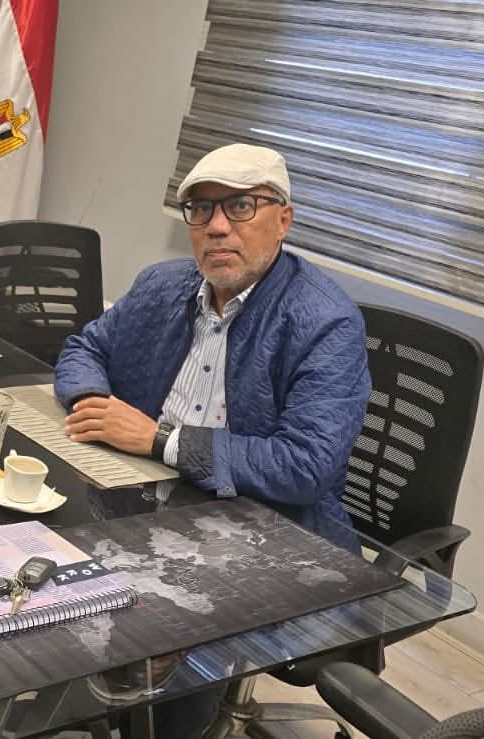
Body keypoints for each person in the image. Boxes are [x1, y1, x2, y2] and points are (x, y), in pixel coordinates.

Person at [55, 143, 370, 548]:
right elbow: (85, 348)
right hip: (143, 500)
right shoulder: (160, 285)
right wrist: (95, 407)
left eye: (240, 206)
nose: (217, 227)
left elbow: (305, 466)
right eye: (202, 208)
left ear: (283, 221)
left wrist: (160, 440)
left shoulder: (328, 322)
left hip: (266, 536)